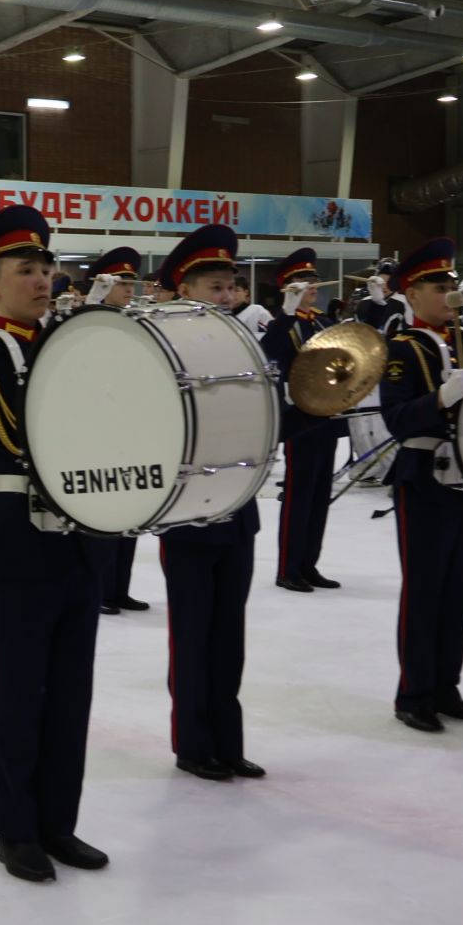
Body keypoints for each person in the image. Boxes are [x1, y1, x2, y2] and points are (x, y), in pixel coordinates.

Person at [0, 204, 106, 882]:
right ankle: (16, 828)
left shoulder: (76, 350)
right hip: (16, 542)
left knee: (72, 695)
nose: (43, 280)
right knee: (19, 694)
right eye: (25, 270)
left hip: (81, 544)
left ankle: (59, 823)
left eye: (47, 268)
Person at [152, 226, 266, 779]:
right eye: (215, 286)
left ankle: (228, 739)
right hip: (187, 515)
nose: (226, 297)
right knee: (193, 637)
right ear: (184, 289)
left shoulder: (246, 345)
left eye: (230, 287)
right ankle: (194, 744)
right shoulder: (161, 347)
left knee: (229, 638)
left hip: (238, 511)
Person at [378, 237, 463, 733]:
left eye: (451, 282)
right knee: (423, 589)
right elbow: (398, 420)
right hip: (422, 478)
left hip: (461, 479)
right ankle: (414, 691)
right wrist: (442, 398)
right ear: (412, 292)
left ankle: (447, 686)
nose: (449, 291)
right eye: (438, 284)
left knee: (456, 588)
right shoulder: (401, 349)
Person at [261, 246, 341, 596]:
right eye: (303, 281)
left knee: (321, 493)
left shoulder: (323, 322)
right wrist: (286, 313)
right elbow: (269, 354)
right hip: (299, 418)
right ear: (287, 288)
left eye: (313, 280)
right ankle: (289, 568)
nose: (312, 285)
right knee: (299, 493)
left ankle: (310, 563)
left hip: (327, 415)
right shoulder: (283, 323)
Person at [80, 246, 150, 616]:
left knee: (130, 514)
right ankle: (102, 589)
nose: (129, 288)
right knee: (103, 519)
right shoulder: (86, 321)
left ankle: (120, 588)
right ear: (102, 284)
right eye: (121, 282)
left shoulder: (131, 321)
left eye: (130, 282)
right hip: (98, 433)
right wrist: (89, 308)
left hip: (130, 429)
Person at [354, 260, 408, 336]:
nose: (384, 286)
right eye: (381, 281)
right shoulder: (364, 303)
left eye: (389, 282)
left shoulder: (403, 302)